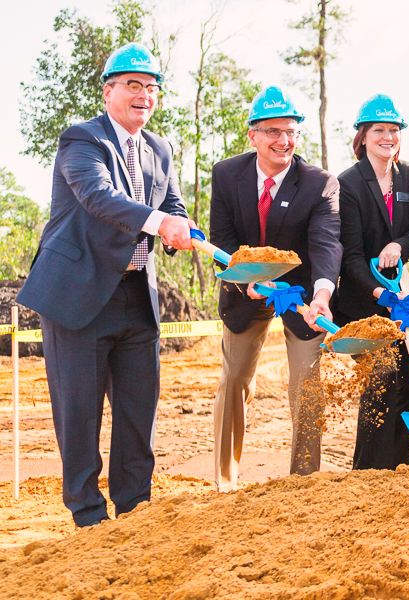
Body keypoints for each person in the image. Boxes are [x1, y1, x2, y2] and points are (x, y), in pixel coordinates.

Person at [16, 43, 193, 526]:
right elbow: (99, 197)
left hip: (138, 298)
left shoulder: (160, 148)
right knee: (80, 416)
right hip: (79, 295)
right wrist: (160, 222)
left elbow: (173, 204)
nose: (144, 95)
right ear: (108, 91)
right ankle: (88, 517)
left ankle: (135, 512)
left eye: (151, 87)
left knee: (139, 417)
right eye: (133, 85)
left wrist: (182, 228)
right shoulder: (82, 140)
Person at [209, 86, 341, 491]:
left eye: (291, 131)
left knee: (306, 381)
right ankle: (224, 482)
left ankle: (304, 483)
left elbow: (326, 242)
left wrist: (322, 294)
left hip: (300, 296)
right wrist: (246, 279)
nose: (283, 141)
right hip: (244, 290)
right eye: (272, 132)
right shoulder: (227, 174)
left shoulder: (320, 183)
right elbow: (222, 240)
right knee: (234, 380)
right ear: (252, 136)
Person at [332, 94, 409, 469]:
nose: (388, 137)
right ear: (363, 137)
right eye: (379, 130)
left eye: (393, 130)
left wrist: (398, 245)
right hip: (362, 304)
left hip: (397, 302)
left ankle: (397, 468)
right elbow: (350, 256)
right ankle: (367, 473)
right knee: (382, 385)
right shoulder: (349, 183)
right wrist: (378, 291)